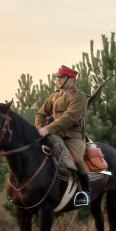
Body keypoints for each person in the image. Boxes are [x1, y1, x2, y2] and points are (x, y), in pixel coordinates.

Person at [35, 65, 91, 207]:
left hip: (72, 136)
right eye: (57, 77)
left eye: (62, 77)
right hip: (52, 135)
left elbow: (70, 117)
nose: (58, 80)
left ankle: (85, 192)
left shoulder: (78, 96)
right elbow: (40, 113)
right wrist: (41, 128)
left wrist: (48, 128)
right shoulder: (54, 96)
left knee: (77, 160)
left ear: (71, 79)